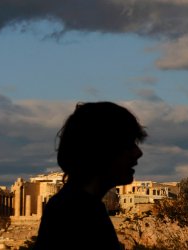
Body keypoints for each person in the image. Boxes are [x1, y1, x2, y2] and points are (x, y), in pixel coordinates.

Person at [34, 102, 147, 250]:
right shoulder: (75, 215)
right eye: (128, 144)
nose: (138, 153)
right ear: (100, 149)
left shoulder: (78, 207)